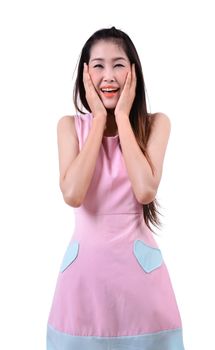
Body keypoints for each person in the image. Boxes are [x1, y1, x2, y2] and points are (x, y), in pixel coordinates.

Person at [46, 26, 185, 350]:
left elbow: (145, 190)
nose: (108, 75)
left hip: (140, 284)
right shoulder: (70, 126)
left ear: (134, 71)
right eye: (98, 65)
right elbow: (73, 194)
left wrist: (122, 116)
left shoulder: (156, 124)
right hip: (82, 283)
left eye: (118, 64)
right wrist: (97, 120)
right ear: (85, 74)